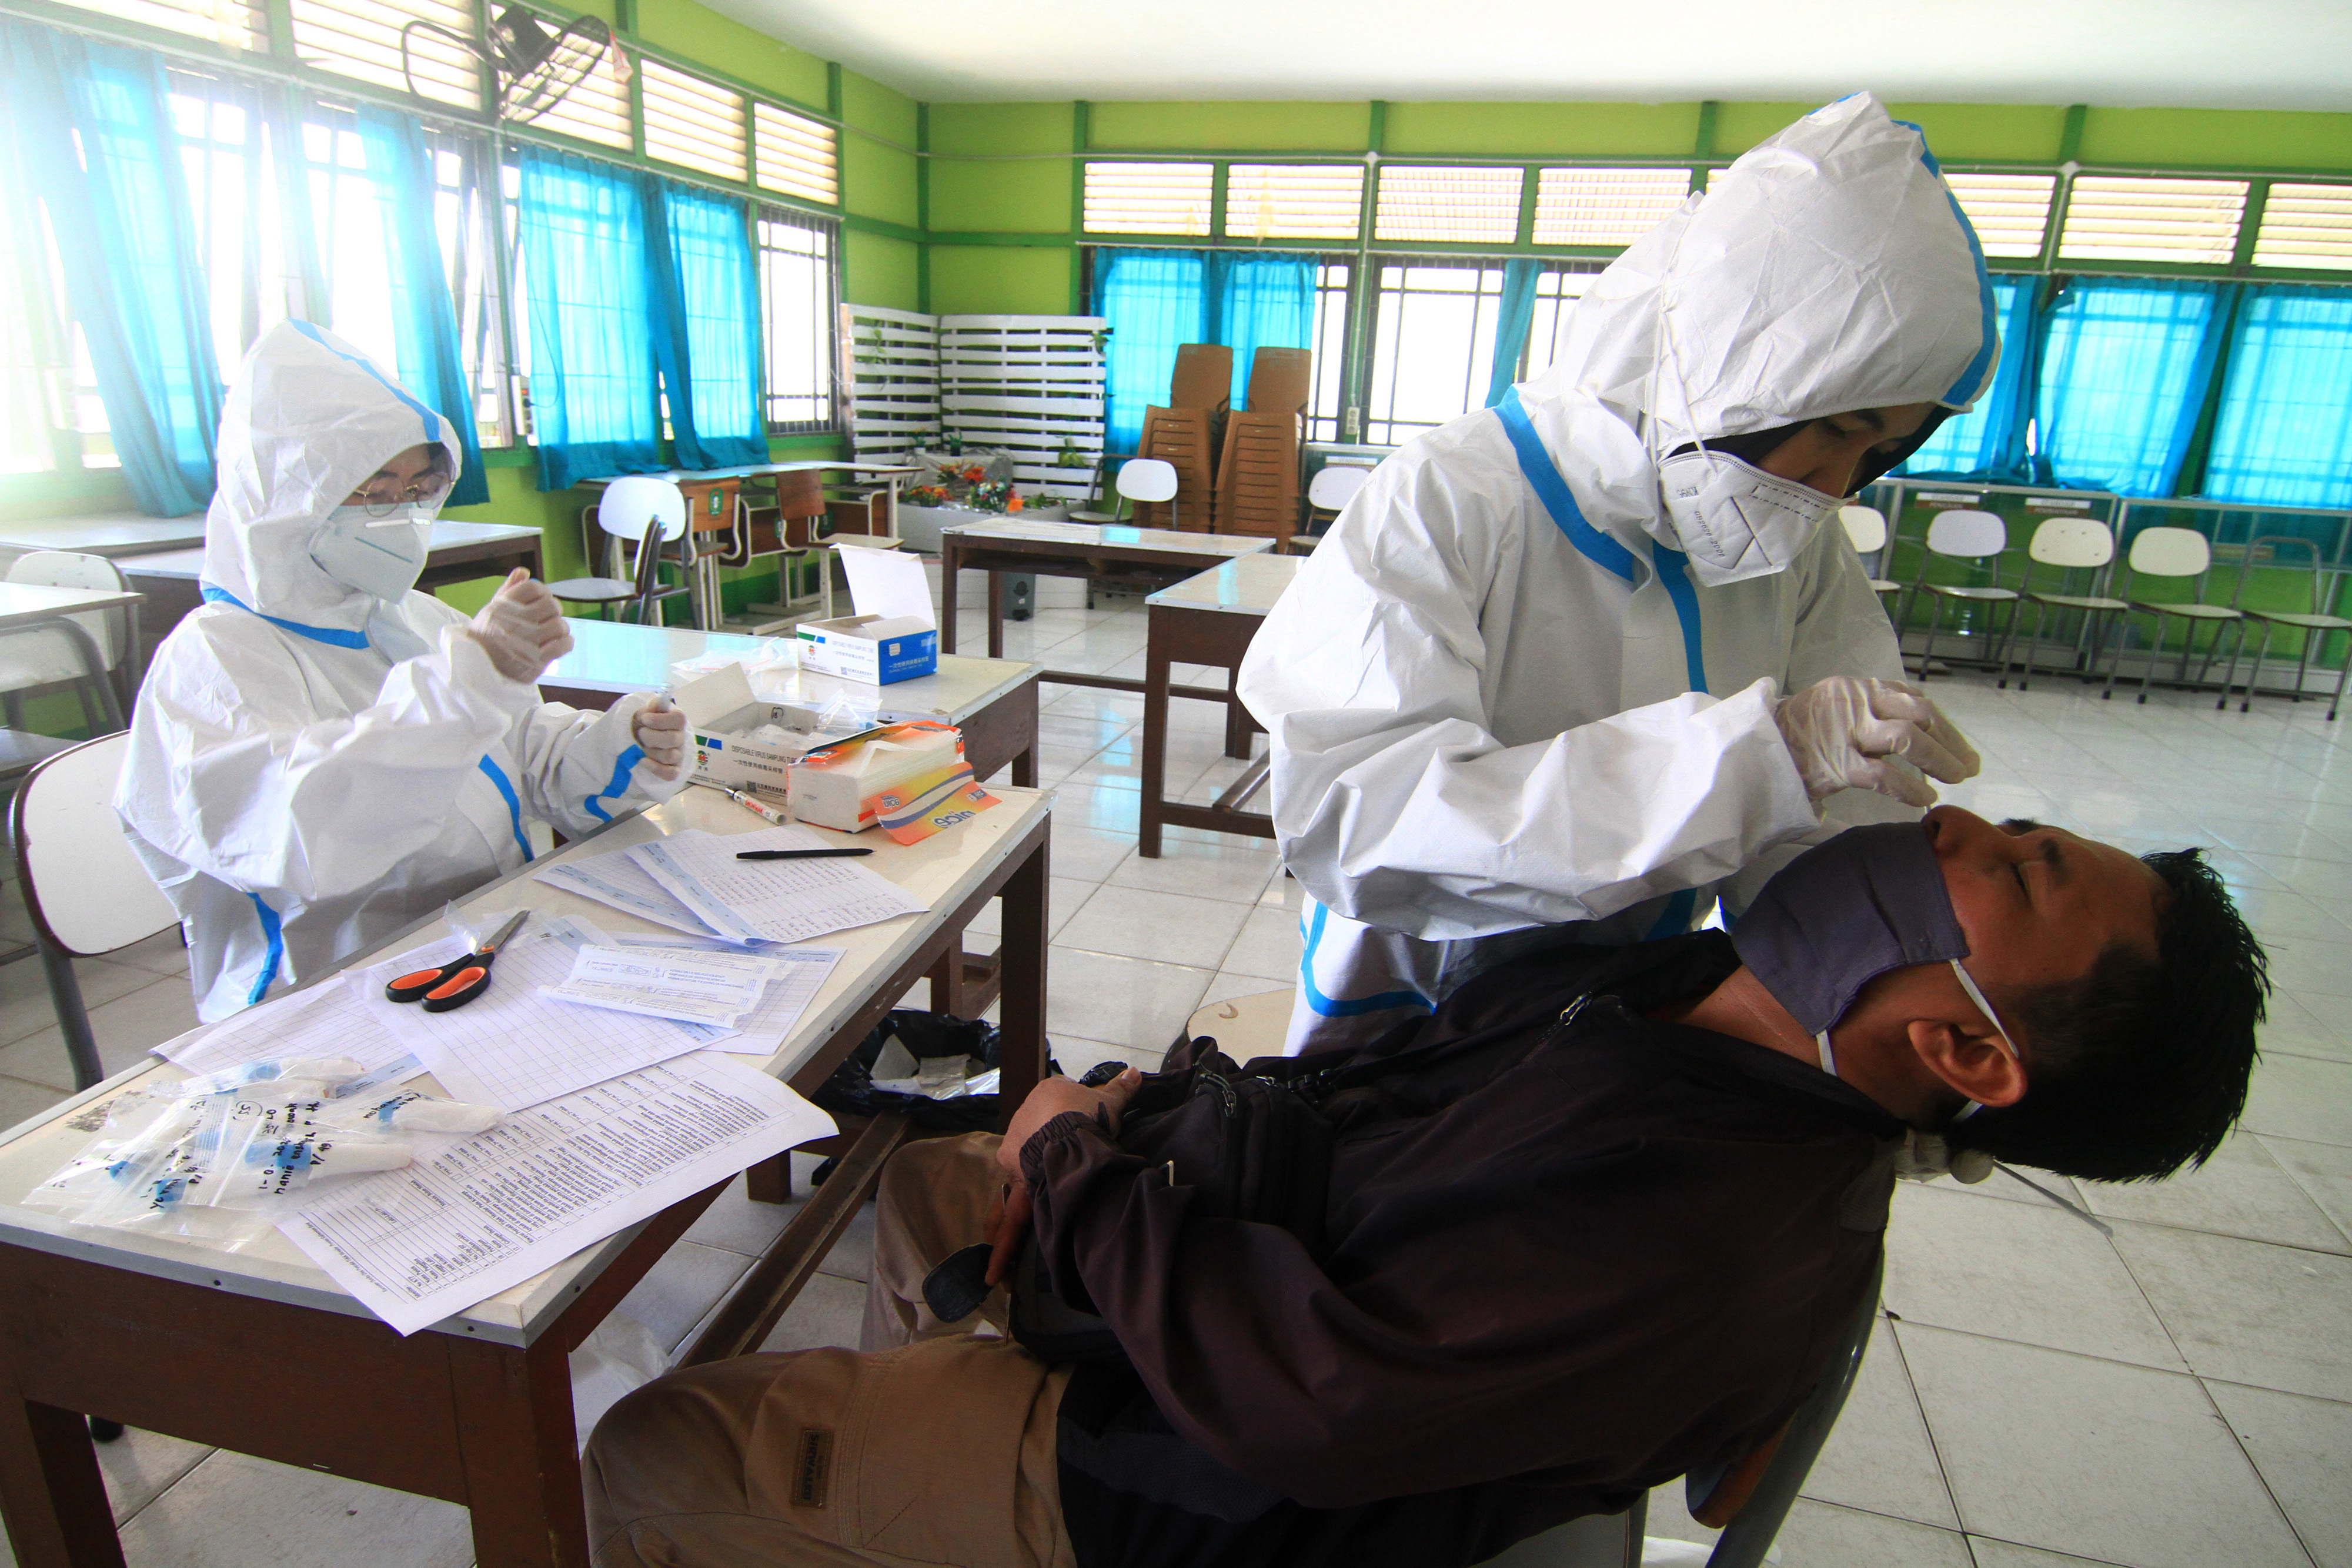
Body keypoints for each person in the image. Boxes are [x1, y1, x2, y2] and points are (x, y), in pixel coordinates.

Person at [582, 807, 2270, 1568]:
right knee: (950, 1180)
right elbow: (1371, 1080)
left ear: (1974, 1057)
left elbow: (1306, 1399)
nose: (1956, 824)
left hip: (1208, 1483)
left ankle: (968, 1484)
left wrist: (1086, 1173)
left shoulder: (1718, 1231)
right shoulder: (1689, 991)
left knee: (650, 1447)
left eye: (2016, 869)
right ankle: (934, 1450)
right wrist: (1127, 1121)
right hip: (1244, 1269)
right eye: (2012, 820)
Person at [1236, 92, 1996, 1056]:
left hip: (1624, 1011)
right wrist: (1755, 760)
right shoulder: (1458, 497)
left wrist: (1876, 1020)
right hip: (1414, 1004)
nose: (1837, 488)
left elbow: (1818, 831)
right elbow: (1358, 819)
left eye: (1879, 451)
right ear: (1731, 370)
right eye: (1836, 433)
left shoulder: (1799, 542)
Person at [116, 321, 688, 1021]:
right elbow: (308, 833)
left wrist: (617, 744)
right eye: (373, 488)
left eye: (419, 485)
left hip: (486, 944)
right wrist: (465, 684)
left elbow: (520, 752)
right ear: (287, 499)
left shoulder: (413, 619)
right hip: (325, 995)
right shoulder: (217, 661)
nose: (402, 512)